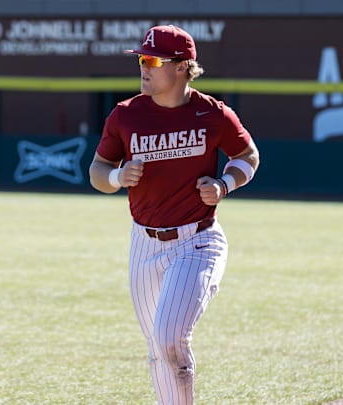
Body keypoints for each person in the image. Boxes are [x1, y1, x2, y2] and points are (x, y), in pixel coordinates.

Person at [89, 25, 260, 404]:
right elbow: (97, 171)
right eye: (141, 60)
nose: (143, 68)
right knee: (157, 347)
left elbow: (248, 156)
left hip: (197, 240)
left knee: (170, 337)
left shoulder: (212, 113)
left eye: (152, 60)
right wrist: (117, 176)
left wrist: (224, 185)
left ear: (183, 67)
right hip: (143, 244)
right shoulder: (126, 115)